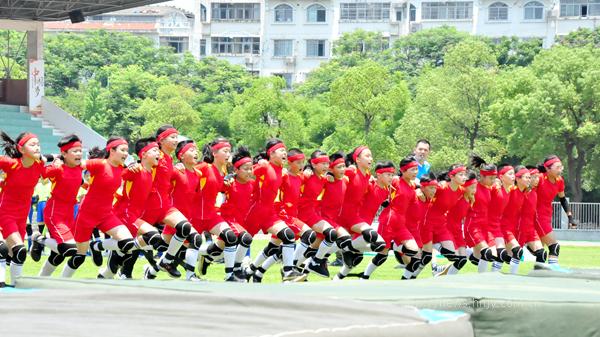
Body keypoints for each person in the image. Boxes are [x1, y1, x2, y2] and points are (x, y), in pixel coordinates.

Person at [244, 139, 304, 282]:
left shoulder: (282, 173)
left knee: (288, 236)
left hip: (270, 213)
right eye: (281, 150)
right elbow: (245, 174)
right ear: (271, 153)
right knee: (242, 240)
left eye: (285, 150)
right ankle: (239, 271)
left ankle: (288, 272)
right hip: (255, 211)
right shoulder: (265, 166)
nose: (285, 152)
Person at [0, 132, 52, 287]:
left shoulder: (39, 165)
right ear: (21, 149)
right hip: (6, 213)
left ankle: (15, 285)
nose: (37, 147)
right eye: (32, 144)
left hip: (23, 216)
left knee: (15, 254)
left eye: (38, 144)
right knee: (19, 250)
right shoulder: (12, 164)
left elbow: (49, 172)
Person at [31, 135, 84, 277]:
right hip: (55, 212)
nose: (79, 154)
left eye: (80, 150)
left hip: (70, 213)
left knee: (59, 254)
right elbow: (41, 173)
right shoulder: (58, 168)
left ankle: (42, 280)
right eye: (75, 151)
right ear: (64, 154)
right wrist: (52, 160)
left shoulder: (80, 167)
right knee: (70, 249)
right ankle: (38, 238)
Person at [535, 155, 573, 271]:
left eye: (561, 167)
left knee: (540, 250)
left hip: (547, 216)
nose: (560, 170)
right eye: (557, 167)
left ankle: (538, 273)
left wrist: (570, 217)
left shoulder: (559, 181)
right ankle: (554, 270)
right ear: (547, 169)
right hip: (536, 216)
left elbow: (562, 199)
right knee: (554, 246)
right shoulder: (540, 178)